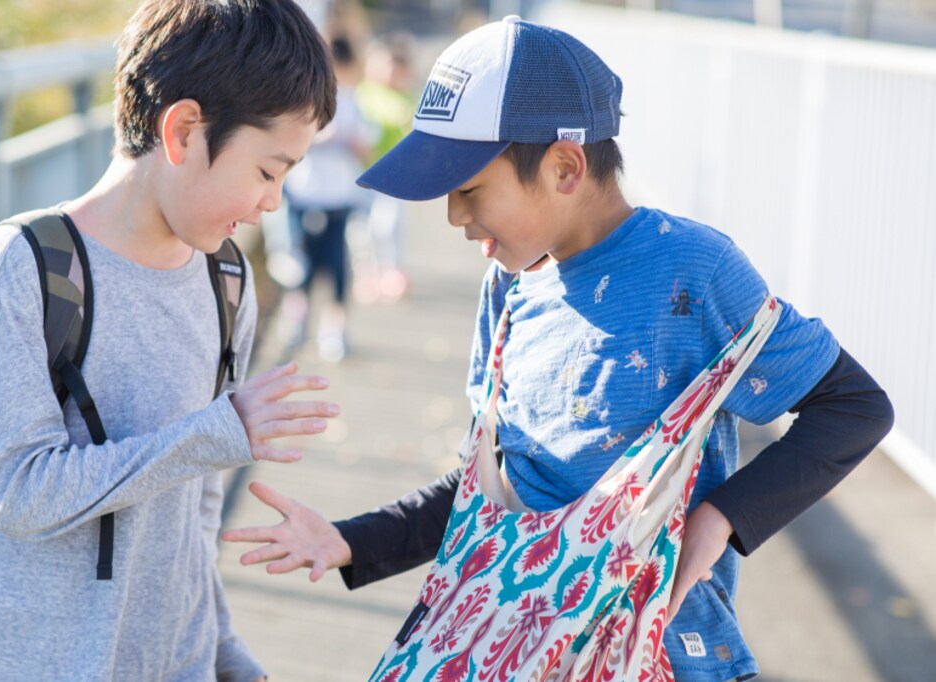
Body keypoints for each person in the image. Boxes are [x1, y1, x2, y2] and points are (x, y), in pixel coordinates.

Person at [223, 16, 894, 681]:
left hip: (657, 649)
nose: (454, 216)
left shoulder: (693, 272)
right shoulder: (508, 287)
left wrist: (721, 518)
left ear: (565, 167)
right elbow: (493, 485)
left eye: (469, 189)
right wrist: (350, 541)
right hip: (515, 643)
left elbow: (853, 407)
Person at [0, 0, 339, 679]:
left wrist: (224, 652)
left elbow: (194, 514)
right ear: (183, 130)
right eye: (268, 172)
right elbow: (19, 493)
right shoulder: (28, 265)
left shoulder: (226, 279)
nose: (273, 201)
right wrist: (216, 432)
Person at [281, 35, 377, 362]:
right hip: (304, 195)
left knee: (337, 268)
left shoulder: (353, 101)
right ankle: (297, 322)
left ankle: (334, 331)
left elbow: (367, 146)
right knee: (301, 267)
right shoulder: (302, 98)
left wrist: (348, 141)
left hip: (338, 198)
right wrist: (326, 140)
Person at [354, 32, 415, 303]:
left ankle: (392, 271)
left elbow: (407, 121)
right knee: (361, 229)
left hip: (393, 176)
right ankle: (366, 274)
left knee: (388, 225)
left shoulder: (404, 98)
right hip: (361, 174)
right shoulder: (362, 94)